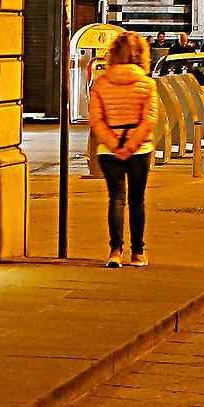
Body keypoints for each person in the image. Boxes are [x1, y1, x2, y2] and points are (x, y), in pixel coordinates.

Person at [88, 31, 157, 267]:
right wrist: (131, 145)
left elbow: (96, 120)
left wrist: (114, 144)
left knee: (116, 198)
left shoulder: (100, 84)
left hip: (109, 152)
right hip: (139, 150)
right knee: (137, 200)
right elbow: (149, 119)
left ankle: (115, 252)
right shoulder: (148, 85)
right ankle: (138, 254)